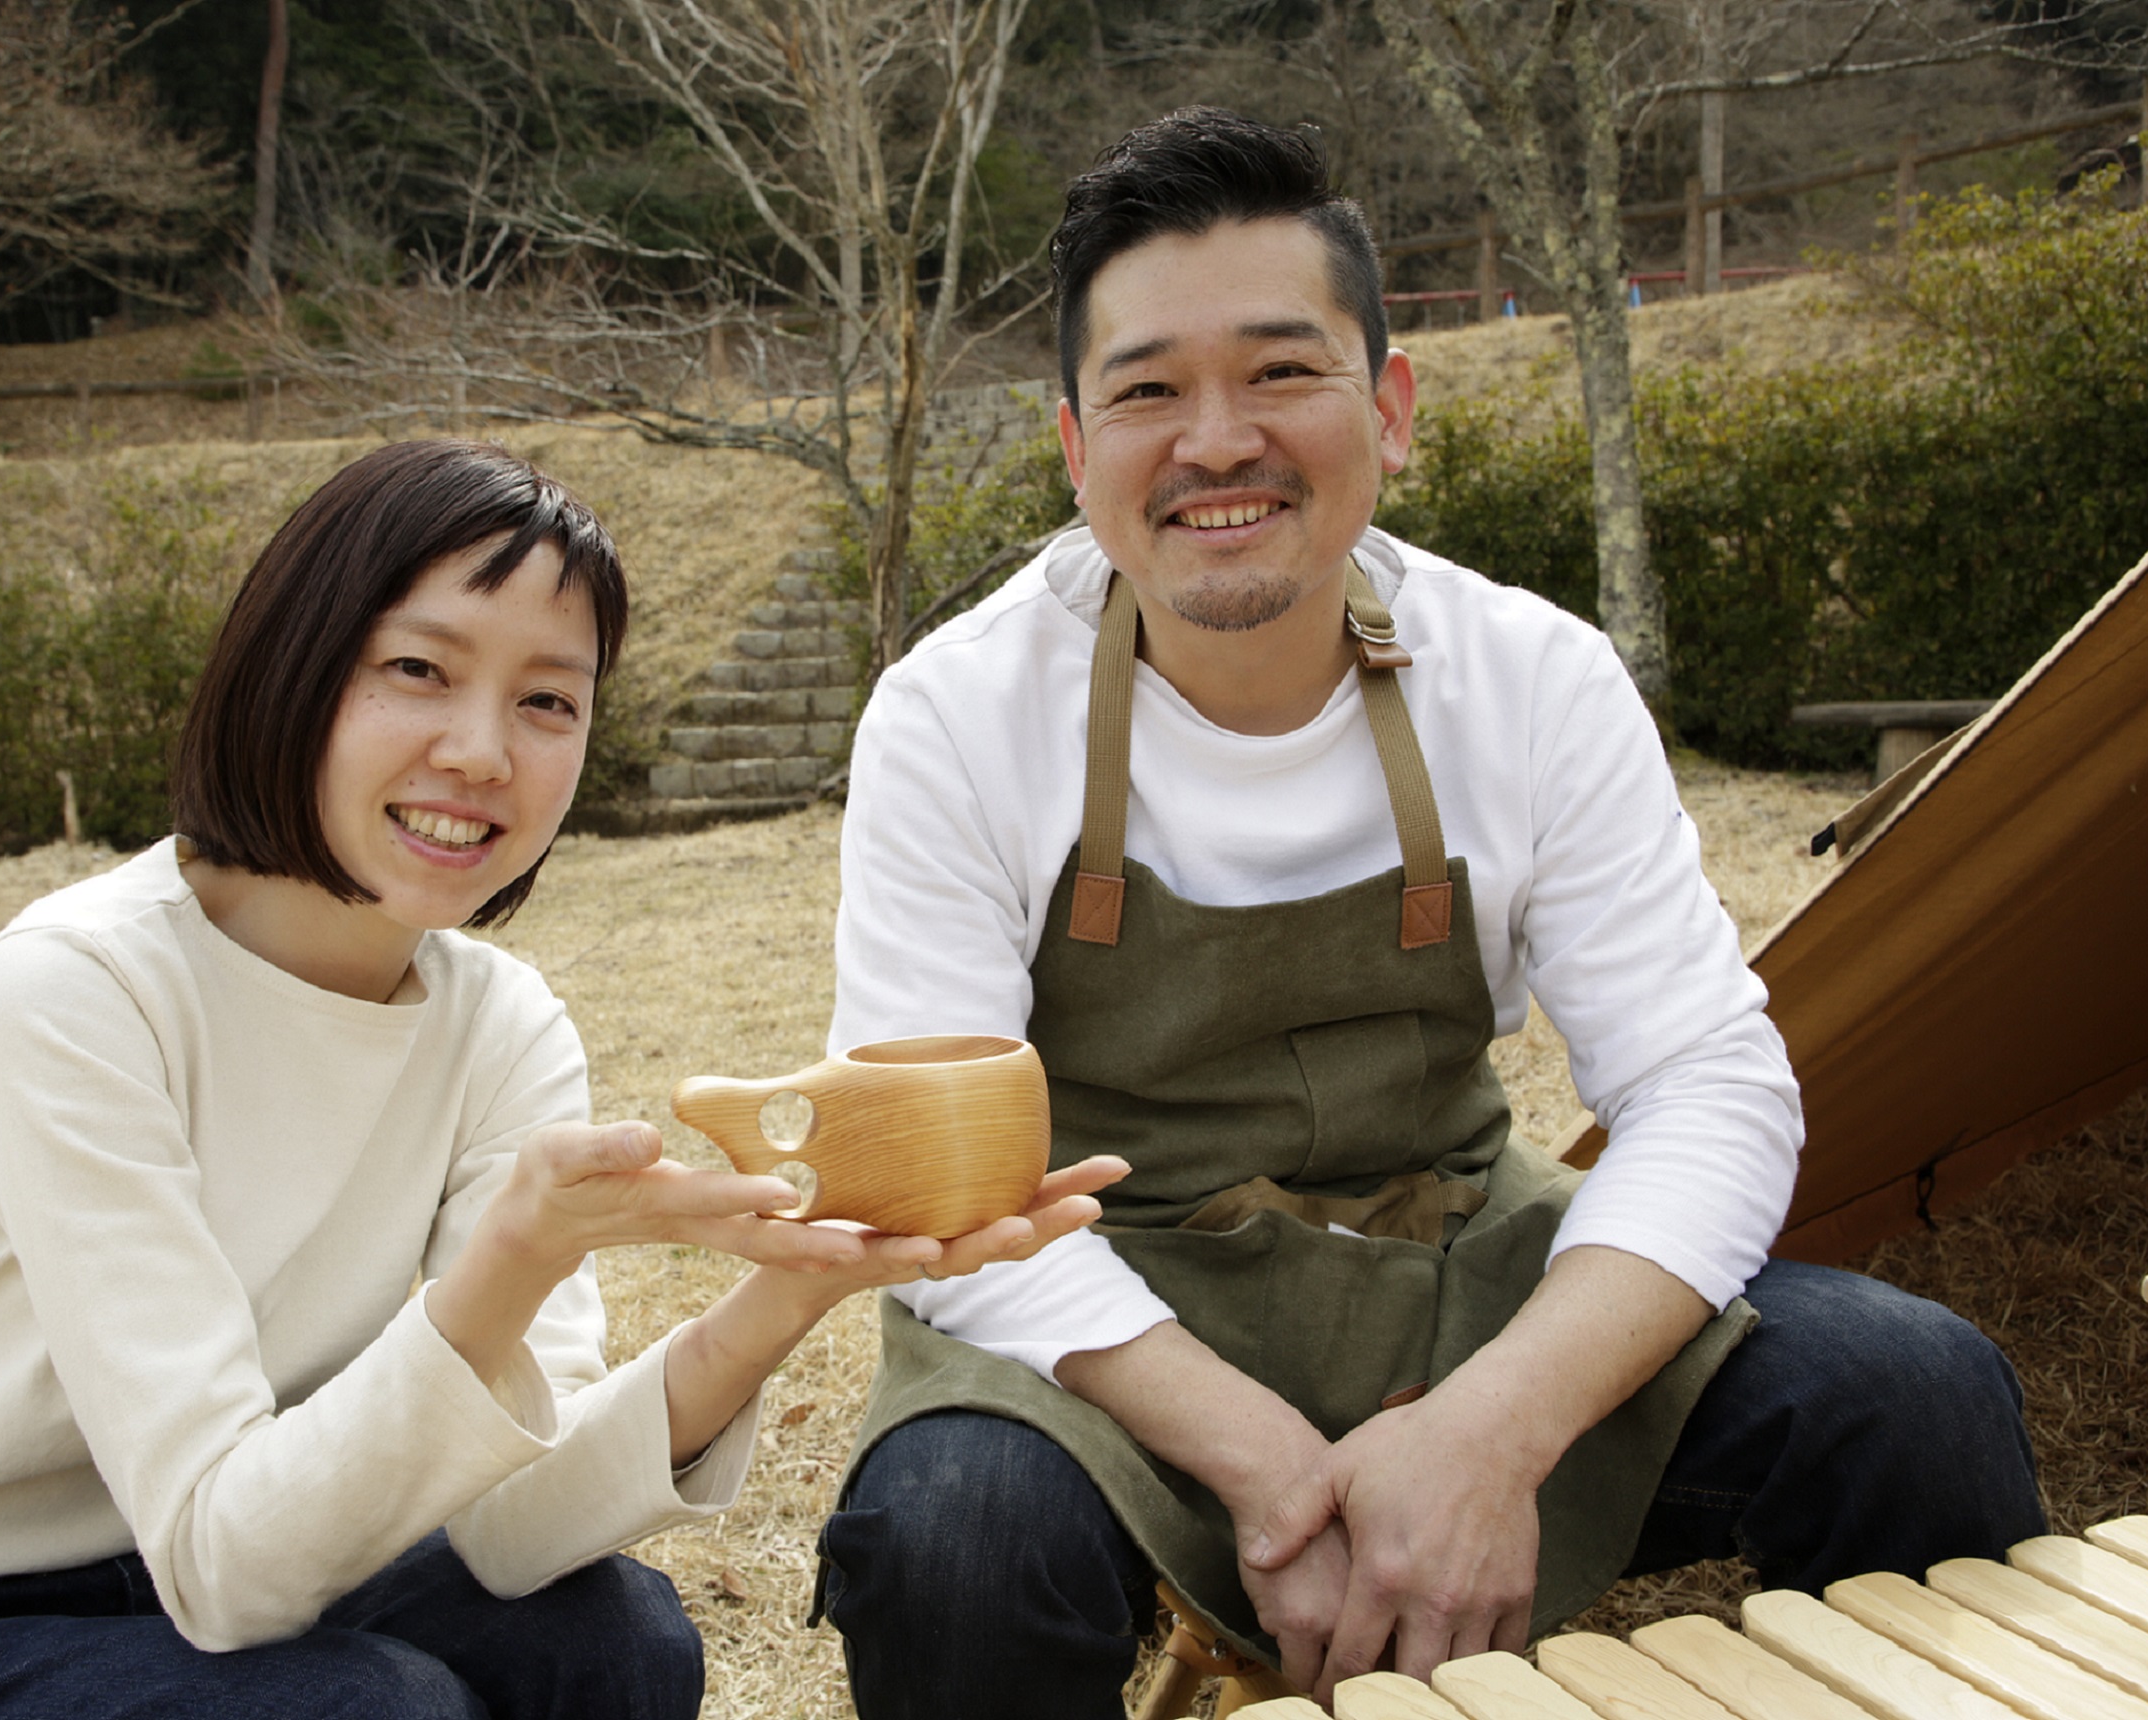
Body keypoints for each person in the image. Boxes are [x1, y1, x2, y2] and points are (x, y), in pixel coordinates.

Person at [814, 109, 2044, 1715]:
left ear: (1390, 410)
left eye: (1280, 372)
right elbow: (943, 1199)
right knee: (951, 1540)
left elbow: (1703, 1087)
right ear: (1072, 447)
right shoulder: (958, 714)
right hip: (1111, 1325)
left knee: (1914, 1393)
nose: (1216, 442)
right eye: (1147, 392)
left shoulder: (1530, 675)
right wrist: (1268, 1464)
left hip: (1465, 1271)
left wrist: (1491, 1431)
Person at [0, 439, 1118, 1720]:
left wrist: (788, 1292)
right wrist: (500, 1270)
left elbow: (516, 1523)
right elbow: (223, 1570)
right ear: (294, 669)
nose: (481, 751)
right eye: (417, 669)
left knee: (612, 1645)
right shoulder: (82, 990)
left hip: (161, 1595)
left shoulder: (499, 1023)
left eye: (550, 702)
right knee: (363, 1711)